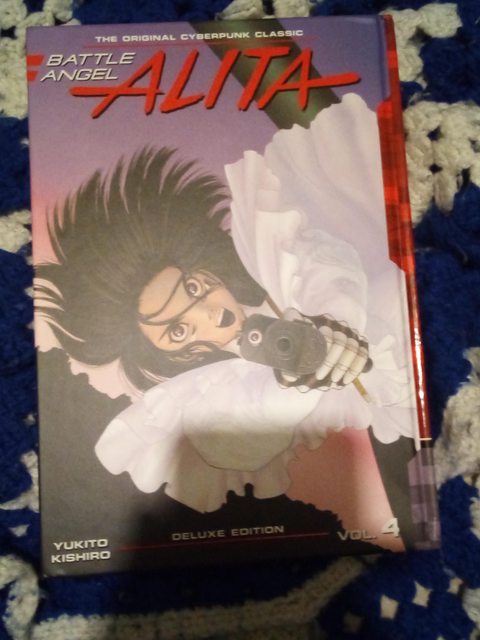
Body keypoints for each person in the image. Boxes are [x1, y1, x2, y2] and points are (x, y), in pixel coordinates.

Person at [36, 94, 417, 513]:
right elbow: (243, 431)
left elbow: (321, 265)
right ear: (162, 351)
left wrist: (332, 323)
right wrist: (298, 373)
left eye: (194, 288)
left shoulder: (267, 256)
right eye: (178, 330)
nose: (209, 315)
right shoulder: (207, 393)